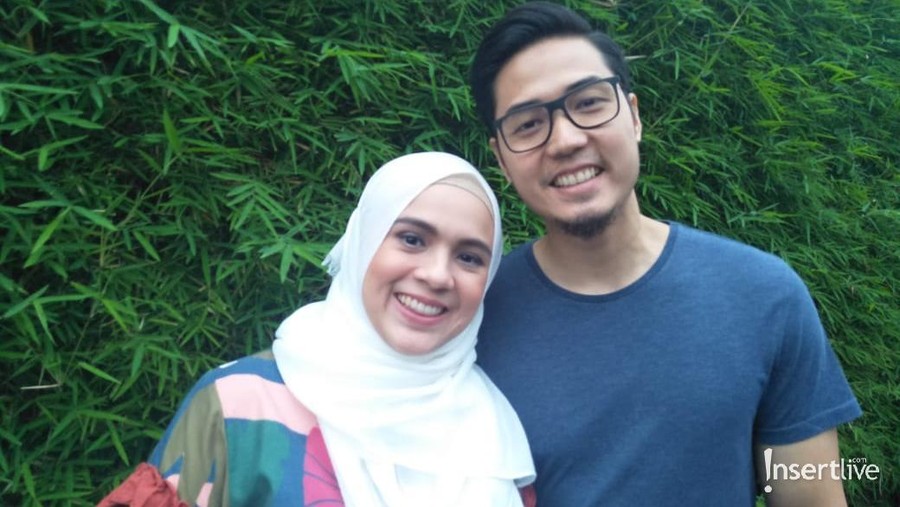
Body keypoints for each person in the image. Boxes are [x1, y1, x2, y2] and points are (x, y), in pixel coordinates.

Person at [469, 2, 862, 506]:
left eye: (588, 103)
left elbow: (809, 499)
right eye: (527, 124)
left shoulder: (763, 296)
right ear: (501, 160)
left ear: (634, 116)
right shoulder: (471, 321)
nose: (565, 139)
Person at [98, 152, 536, 507]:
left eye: (469, 258)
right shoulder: (240, 403)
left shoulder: (493, 432)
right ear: (363, 242)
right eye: (411, 239)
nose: (438, 275)